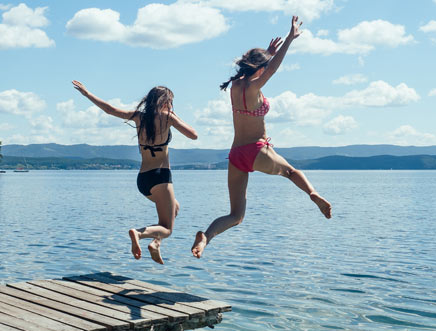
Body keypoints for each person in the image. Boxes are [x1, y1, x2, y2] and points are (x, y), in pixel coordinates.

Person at [191, 16, 332, 259]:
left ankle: (206, 237)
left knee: (236, 215)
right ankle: (313, 194)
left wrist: (265, 53)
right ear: (260, 67)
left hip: (236, 156)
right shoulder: (255, 87)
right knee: (290, 172)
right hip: (257, 151)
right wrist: (289, 39)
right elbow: (273, 68)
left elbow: (260, 67)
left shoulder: (235, 85)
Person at [72, 81, 198, 264]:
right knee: (168, 228)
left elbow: (110, 110)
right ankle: (138, 233)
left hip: (143, 180)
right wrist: (174, 115)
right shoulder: (167, 117)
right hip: (161, 178)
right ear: (166, 102)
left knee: (175, 208)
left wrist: (87, 94)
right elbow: (193, 135)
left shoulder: (140, 117)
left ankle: (155, 243)